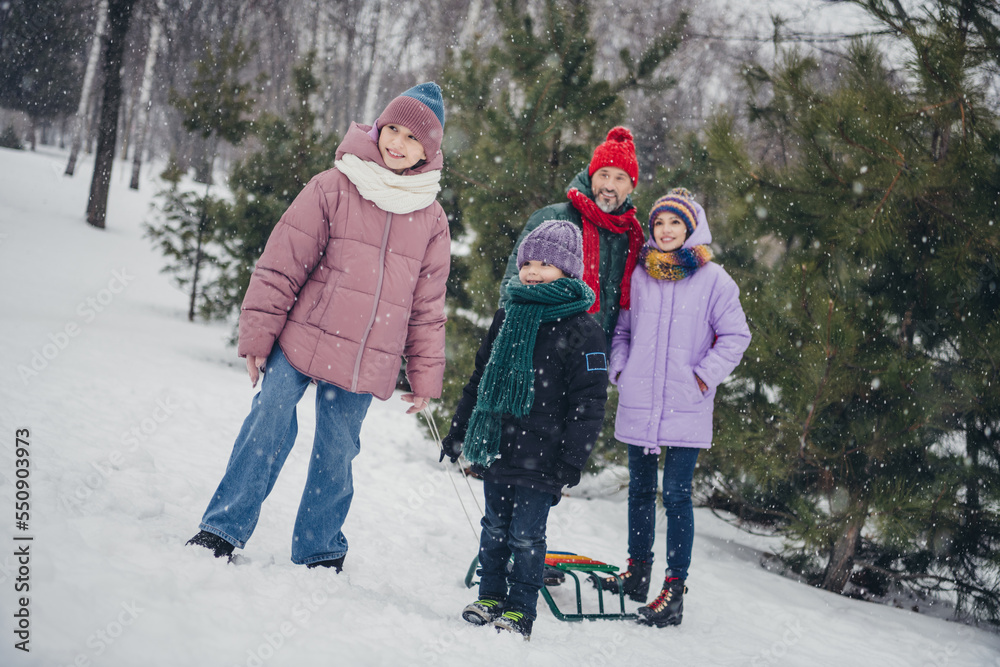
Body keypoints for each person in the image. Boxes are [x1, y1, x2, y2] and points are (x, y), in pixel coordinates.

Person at [186, 83, 451, 571]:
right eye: (392, 128)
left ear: (428, 151)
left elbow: (427, 306)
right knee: (268, 419)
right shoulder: (333, 185)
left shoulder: (430, 217)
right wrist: (259, 337)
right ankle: (222, 527)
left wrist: (424, 375)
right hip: (302, 338)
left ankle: (320, 547)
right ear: (377, 129)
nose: (397, 142)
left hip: (367, 356)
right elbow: (281, 263)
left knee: (338, 450)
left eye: (412, 138)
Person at [440, 221, 609, 639]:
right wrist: (459, 431)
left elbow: (589, 404)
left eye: (546, 263)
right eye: (528, 262)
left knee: (526, 535)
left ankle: (520, 608)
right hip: (499, 445)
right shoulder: (508, 316)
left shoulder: (583, 330)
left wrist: (572, 458)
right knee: (494, 527)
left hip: (544, 455)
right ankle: (490, 595)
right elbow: (480, 380)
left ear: (568, 271)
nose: (533, 271)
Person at [597, 188, 750, 627]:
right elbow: (622, 332)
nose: (665, 231)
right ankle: (636, 573)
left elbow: (736, 337)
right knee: (641, 491)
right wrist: (622, 371)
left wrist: (702, 377)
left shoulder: (714, 279)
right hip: (640, 400)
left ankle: (673, 590)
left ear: (691, 229)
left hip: (687, 404)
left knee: (677, 495)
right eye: (659, 223)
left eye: (675, 224)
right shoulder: (640, 274)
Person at [499, 127, 646, 343]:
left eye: (620, 178)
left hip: (595, 357)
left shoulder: (631, 236)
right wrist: (515, 340)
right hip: (546, 351)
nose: (609, 185)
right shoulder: (554, 218)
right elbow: (514, 285)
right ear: (591, 176)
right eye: (603, 174)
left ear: (631, 186)